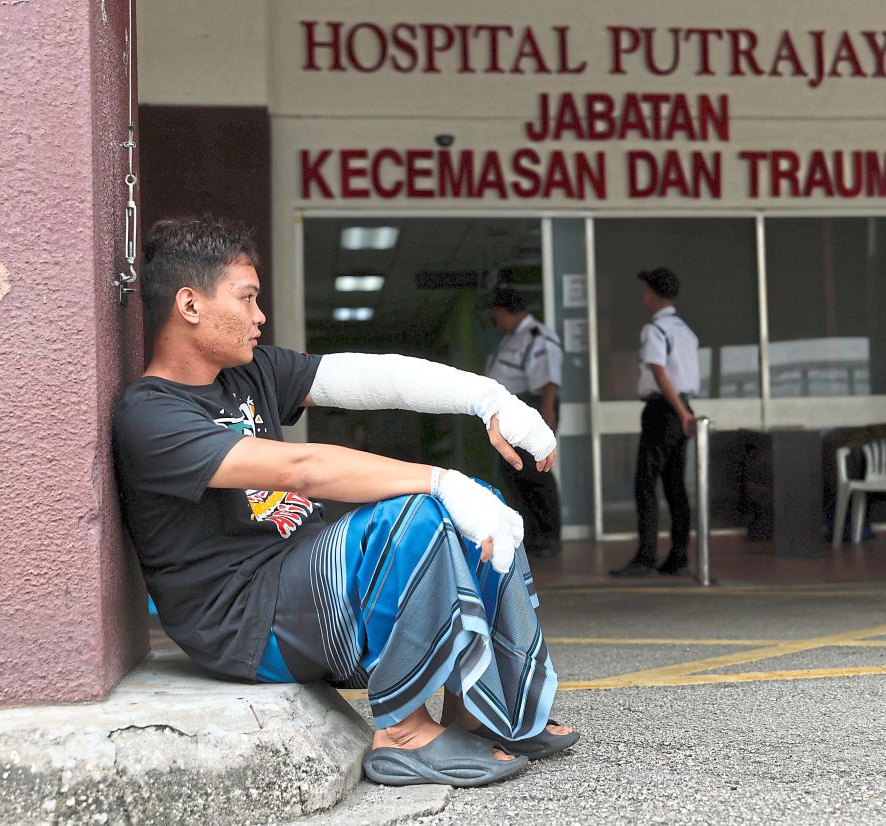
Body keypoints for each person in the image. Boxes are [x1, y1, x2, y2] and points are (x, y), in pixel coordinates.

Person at [113, 217, 578, 788]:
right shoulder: (150, 414)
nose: (260, 317)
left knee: (476, 504)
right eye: (248, 297)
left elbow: (366, 376)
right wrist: (439, 479)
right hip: (247, 625)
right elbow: (301, 470)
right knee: (416, 512)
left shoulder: (248, 373)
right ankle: (404, 733)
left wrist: (488, 398)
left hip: (302, 586)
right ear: (190, 304)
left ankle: (478, 709)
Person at [610, 267, 700, 578]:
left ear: (651, 294)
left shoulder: (655, 330)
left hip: (664, 409)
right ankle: (678, 556)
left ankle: (646, 557)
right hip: (682, 406)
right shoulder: (686, 331)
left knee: (646, 484)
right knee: (675, 486)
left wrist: (679, 411)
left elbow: (660, 373)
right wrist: (685, 412)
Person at [484, 286, 564, 559]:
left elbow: (549, 380)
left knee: (536, 472)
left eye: (497, 315)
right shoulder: (512, 338)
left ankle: (549, 537)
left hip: (534, 407)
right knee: (515, 474)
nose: (496, 321)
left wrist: (547, 414)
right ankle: (532, 536)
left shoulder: (537, 336)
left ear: (507, 311)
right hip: (514, 409)